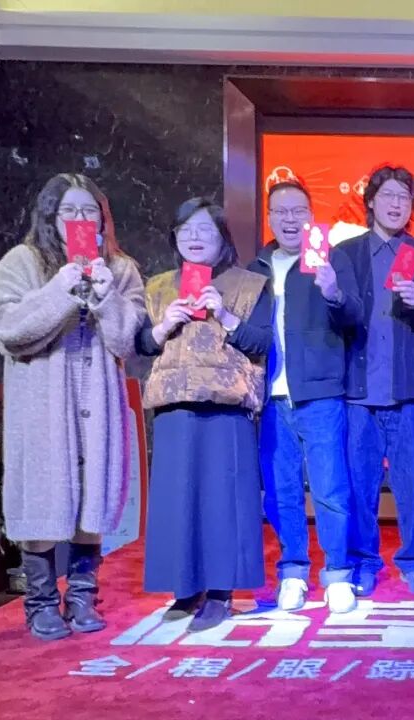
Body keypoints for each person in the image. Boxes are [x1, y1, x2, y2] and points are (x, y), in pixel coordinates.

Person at [0, 173, 145, 640]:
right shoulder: (22, 261)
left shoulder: (121, 268)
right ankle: (39, 601)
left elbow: (127, 341)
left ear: (102, 218)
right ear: (51, 216)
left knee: (92, 498)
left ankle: (81, 595)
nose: (80, 219)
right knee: (41, 497)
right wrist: (60, 289)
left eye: (89, 210)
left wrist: (105, 295)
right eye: (69, 211)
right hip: (42, 406)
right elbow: (7, 328)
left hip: (97, 404)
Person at [137, 198, 272, 632]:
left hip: (226, 407)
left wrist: (225, 314)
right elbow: (140, 344)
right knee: (178, 499)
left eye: (205, 231)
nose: (195, 239)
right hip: (174, 405)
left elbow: (263, 343)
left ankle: (220, 593)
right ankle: (185, 588)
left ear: (222, 238)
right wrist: (163, 326)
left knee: (223, 500)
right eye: (186, 231)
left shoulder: (249, 284)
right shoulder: (158, 286)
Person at [250, 179, 364, 615]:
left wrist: (333, 292)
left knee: (330, 488)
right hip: (271, 399)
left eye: (298, 211)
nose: (290, 219)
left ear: (311, 216)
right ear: (269, 218)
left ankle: (337, 573)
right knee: (281, 492)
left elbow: (355, 318)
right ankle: (293, 571)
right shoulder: (256, 267)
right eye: (281, 211)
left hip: (320, 395)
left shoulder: (331, 259)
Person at [339, 166, 414, 596]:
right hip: (359, 392)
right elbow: (337, 318)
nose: (396, 204)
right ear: (370, 201)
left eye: (404, 197)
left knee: (412, 483)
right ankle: (364, 562)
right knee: (360, 484)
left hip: (411, 391)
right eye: (388, 195)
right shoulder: (346, 253)